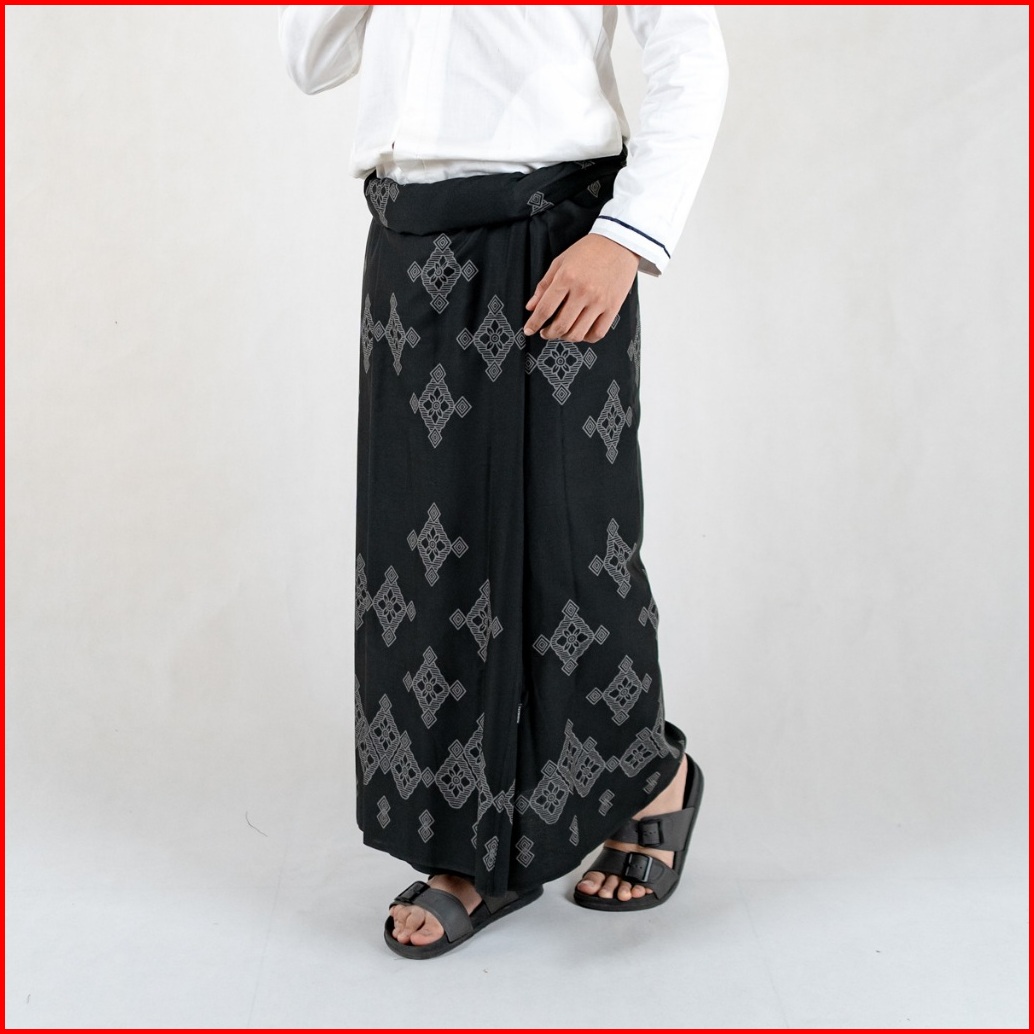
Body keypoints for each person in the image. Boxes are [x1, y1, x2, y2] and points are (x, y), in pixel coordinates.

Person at [277, 4, 729, 959]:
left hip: (554, 236)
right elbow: (310, 58)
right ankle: (473, 849)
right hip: (406, 242)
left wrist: (628, 234)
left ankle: (648, 775)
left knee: (572, 543)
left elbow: (690, 47)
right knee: (426, 562)